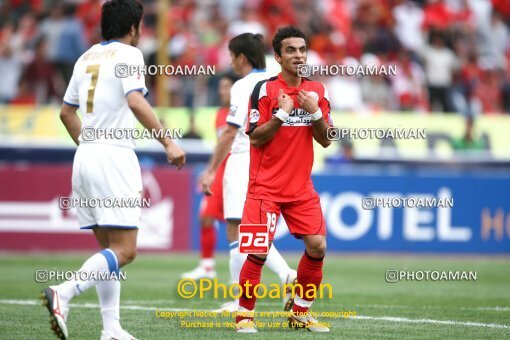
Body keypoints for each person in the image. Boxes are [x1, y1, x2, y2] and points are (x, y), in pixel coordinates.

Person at [39, 1, 186, 339]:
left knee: (110, 250)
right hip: (114, 157)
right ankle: (65, 292)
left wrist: (89, 145)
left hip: (86, 156)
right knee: (126, 250)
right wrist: (168, 143)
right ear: (134, 27)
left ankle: (111, 329)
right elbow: (136, 101)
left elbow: (66, 112)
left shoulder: (86, 57)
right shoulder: (130, 55)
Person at [235, 26, 332, 333]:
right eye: (291, 50)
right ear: (277, 56)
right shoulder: (264, 90)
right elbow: (255, 139)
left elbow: (328, 139)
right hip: (264, 188)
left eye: (302, 49)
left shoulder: (317, 91)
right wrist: (281, 115)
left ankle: (300, 313)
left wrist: (315, 113)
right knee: (258, 252)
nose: (298, 55)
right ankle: (244, 317)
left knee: (318, 246)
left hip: (300, 188)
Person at [200, 33, 297, 313]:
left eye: (232, 56)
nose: (231, 61)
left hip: (244, 159)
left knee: (239, 229)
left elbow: (231, 130)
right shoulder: (275, 82)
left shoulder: (243, 86)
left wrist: (210, 171)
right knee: (251, 229)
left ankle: (279, 277)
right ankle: (282, 277)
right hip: (272, 164)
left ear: (242, 57)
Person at [181, 73, 237, 280]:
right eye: (220, 87)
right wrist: (209, 170)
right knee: (205, 216)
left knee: (239, 224)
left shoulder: (242, 112)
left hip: (236, 172)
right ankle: (207, 267)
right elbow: (219, 147)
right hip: (219, 173)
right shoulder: (220, 114)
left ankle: (239, 272)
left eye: (226, 87)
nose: (222, 91)